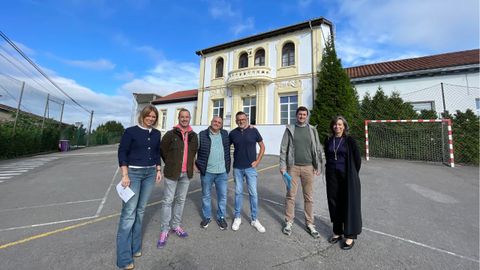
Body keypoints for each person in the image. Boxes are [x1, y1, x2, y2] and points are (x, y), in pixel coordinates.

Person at [116, 105, 162, 270]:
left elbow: (156, 153)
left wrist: (158, 170)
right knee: (128, 214)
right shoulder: (130, 132)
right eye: (148, 116)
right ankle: (123, 259)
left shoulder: (157, 134)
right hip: (133, 174)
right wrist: (125, 175)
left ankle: (135, 248)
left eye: (154, 117)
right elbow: (122, 153)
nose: (151, 119)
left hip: (150, 174)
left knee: (140, 211)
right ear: (142, 116)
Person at [279, 106, 325, 238]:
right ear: (296, 115)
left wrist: (318, 165)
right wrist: (282, 166)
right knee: (290, 195)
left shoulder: (312, 130)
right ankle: (288, 222)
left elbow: (317, 148)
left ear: (307, 116)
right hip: (292, 167)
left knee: (309, 197)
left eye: (304, 115)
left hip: (308, 167)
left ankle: (310, 223)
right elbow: (283, 148)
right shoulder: (290, 129)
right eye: (300, 114)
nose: (302, 117)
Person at [157, 109, 198, 248]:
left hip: (186, 174)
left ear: (190, 118)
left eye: (187, 117)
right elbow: (162, 150)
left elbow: (193, 153)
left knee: (180, 200)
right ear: (178, 118)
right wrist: (170, 162)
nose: (184, 119)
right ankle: (164, 230)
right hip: (172, 173)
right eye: (182, 117)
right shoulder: (170, 134)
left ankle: (176, 225)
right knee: (168, 201)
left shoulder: (194, 136)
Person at [324, 116, 362, 250]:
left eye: (340, 124)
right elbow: (328, 156)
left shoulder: (350, 141)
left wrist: (352, 174)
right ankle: (337, 231)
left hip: (347, 177)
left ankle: (350, 235)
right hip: (332, 176)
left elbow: (357, 160)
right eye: (335, 124)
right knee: (334, 202)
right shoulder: (329, 140)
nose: (337, 127)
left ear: (344, 126)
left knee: (348, 204)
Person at [229, 111, 266, 233]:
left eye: (243, 119)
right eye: (239, 120)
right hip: (237, 168)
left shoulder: (254, 131)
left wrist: (257, 161)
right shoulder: (232, 133)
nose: (241, 121)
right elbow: (224, 147)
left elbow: (262, 146)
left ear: (247, 119)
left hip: (251, 168)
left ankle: (254, 219)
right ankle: (238, 217)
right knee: (238, 193)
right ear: (236, 121)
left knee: (253, 194)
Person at [195, 116, 231, 230]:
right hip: (207, 172)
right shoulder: (201, 135)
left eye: (219, 122)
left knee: (222, 196)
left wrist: (248, 127)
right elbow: (193, 150)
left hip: (222, 172)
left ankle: (221, 217)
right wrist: (194, 165)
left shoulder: (225, 134)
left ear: (221, 125)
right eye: (215, 121)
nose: (217, 123)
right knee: (206, 196)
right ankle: (207, 217)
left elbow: (240, 136)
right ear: (211, 122)